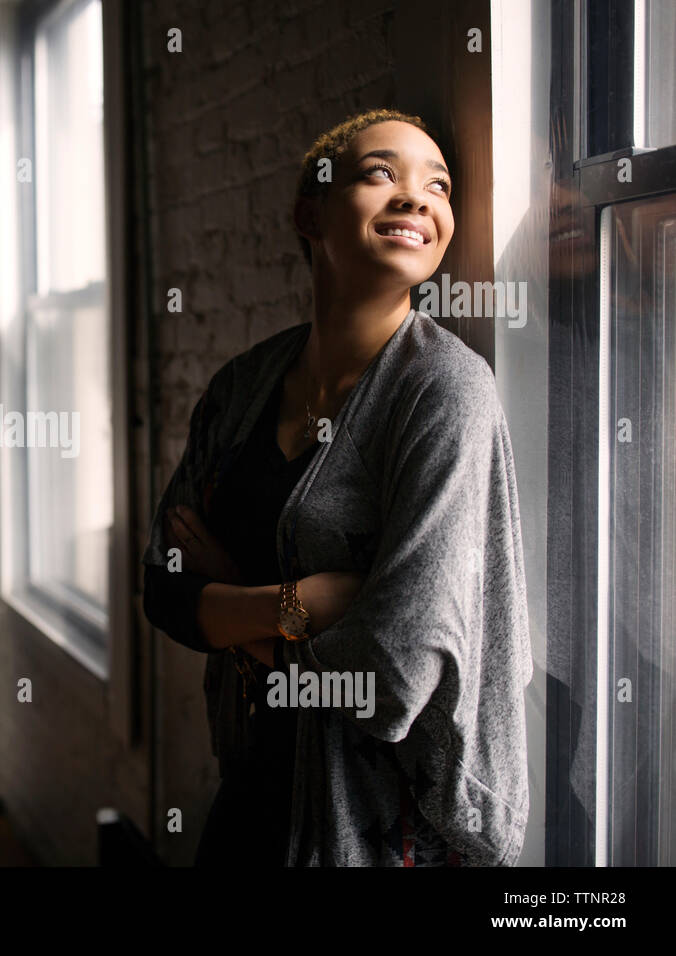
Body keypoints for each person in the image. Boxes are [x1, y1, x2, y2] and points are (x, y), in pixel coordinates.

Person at [142, 108, 534, 866]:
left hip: (378, 831)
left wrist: (231, 604)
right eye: (380, 173)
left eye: (439, 186)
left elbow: (391, 671)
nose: (417, 198)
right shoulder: (242, 386)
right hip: (250, 796)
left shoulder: (446, 391)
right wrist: (299, 605)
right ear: (309, 213)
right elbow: (163, 585)